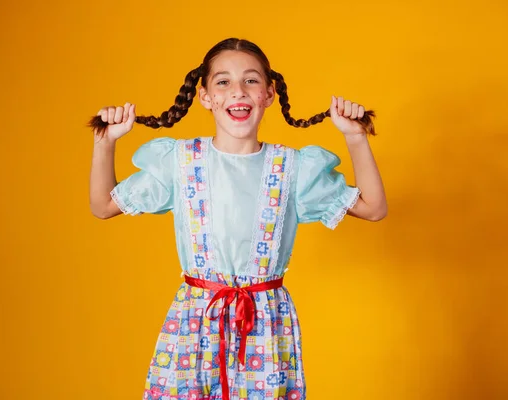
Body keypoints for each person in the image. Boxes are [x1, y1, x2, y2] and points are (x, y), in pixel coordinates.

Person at [88, 37, 387, 400]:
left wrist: (356, 137)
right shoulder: (180, 162)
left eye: (251, 80)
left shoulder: (293, 169)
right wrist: (105, 142)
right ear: (205, 97)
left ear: (269, 94)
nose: (238, 91)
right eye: (223, 82)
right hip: (195, 324)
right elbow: (104, 205)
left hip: (264, 327)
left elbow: (373, 207)